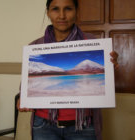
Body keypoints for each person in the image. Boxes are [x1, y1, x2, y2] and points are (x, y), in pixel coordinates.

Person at [17, 0, 119, 140]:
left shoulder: (92, 42)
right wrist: (23, 98)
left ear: (77, 11)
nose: (62, 15)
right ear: (48, 13)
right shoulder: (34, 47)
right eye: (55, 9)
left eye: (68, 9)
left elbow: (103, 84)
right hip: (43, 126)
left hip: (83, 125)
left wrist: (111, 66)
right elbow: (25, 86)